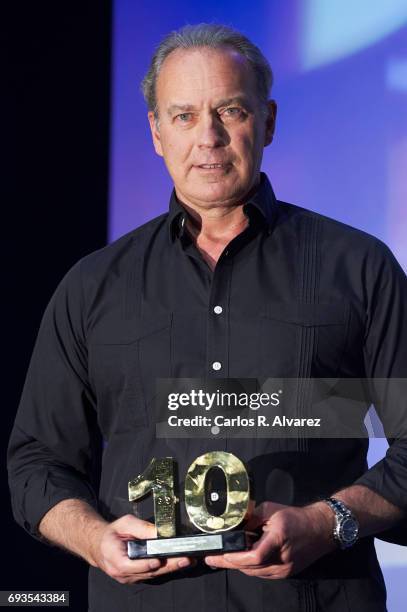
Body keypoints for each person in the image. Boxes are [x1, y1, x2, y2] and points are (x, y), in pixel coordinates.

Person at [7, 23, 407, 612]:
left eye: (230, 110)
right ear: (156, 133)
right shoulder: (92, 286)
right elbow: (36, 461)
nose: (209, 138)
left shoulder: (360, 267)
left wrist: (328, 523)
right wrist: (94, 539)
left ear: (267, 121)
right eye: (184, 116)